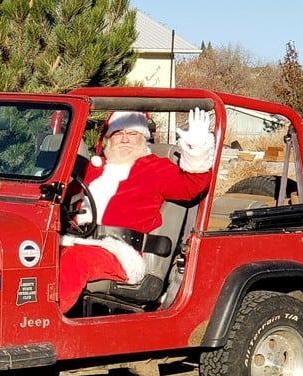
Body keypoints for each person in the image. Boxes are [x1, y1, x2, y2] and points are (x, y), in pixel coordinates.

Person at [58, 108, 215, 313]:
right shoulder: (93, 169)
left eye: (132, 133)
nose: (124, 139)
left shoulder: (155, 169)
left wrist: (197, 149)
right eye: (118, 133)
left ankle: (42, 326)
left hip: (121, 250)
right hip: (76, 239)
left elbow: (192, 185)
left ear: (143, 137)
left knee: (75, 260)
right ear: (108, 139)